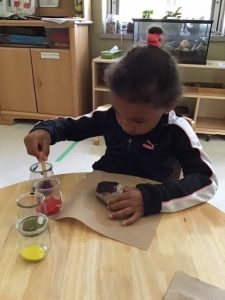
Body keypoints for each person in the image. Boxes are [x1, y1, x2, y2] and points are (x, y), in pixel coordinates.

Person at [24, 46, 218, 226]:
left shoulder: (176, 130)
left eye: (138, 121)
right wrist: (45, 130)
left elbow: (207, 181)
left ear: (168, 106)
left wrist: (153, 198)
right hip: (98, 194)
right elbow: (69, 126)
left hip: (148, 205)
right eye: (118, 112)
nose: (125, 124)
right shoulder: (108, 117)